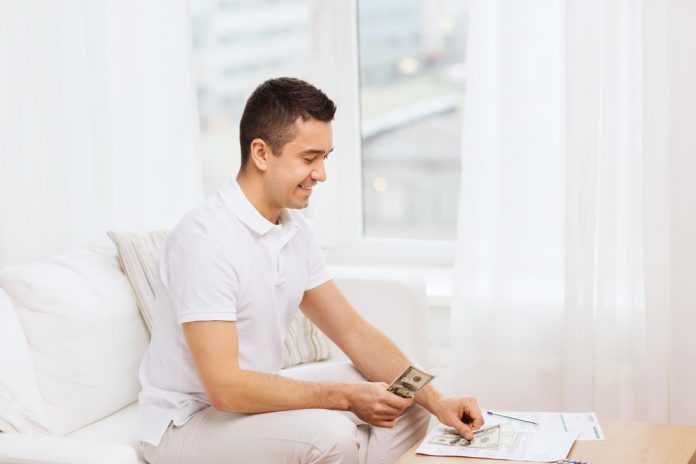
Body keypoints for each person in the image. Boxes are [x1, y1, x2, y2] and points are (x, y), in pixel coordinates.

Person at [137, 77, 483, 464]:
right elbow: (225, 388)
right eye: (308, 158)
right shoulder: (206, 241)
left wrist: (437, 400)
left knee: (405, 394)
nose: (321, 174)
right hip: (187, 422)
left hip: (242, 408)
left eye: (325, 158)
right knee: (329, 435)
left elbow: (353, 331)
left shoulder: (293, 231)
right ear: (262, 153)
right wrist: (344, 397)